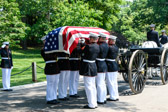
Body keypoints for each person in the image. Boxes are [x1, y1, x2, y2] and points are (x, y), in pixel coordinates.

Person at [80, 32, 100, 109]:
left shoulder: (88, 46)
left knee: (88, 86)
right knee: (93, 86)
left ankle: (91, 104)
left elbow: (82, 53)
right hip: (93, 66)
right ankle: (94, 103)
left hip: (88, 67)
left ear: (91, 39)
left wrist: (80, 45)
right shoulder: (97, 46)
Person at [41, 36, 60, 104]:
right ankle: (49, 98)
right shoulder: (43, 49)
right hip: (49, 66)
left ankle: (54, 97)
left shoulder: (52, 48)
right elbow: (48, 56)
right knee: (50, 83)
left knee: (55, 83)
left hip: (55, 66)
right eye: (45, 41)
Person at [96, 32, 109, 104]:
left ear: (101, 38)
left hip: (99, 65)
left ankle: (100, 99)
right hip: (103, 64)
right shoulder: (106, 45)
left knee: (99, 83)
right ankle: (103, 98)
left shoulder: (99, 46)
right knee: (102, 83)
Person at [106, 35, 119, 101]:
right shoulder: (116, 47)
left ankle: (113, 97)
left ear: (111, 40)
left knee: (110, 82)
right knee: (114, 82)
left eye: (109, 40)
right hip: (114, 64)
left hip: (110, 65)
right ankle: (116, 95)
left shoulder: (109, 48)